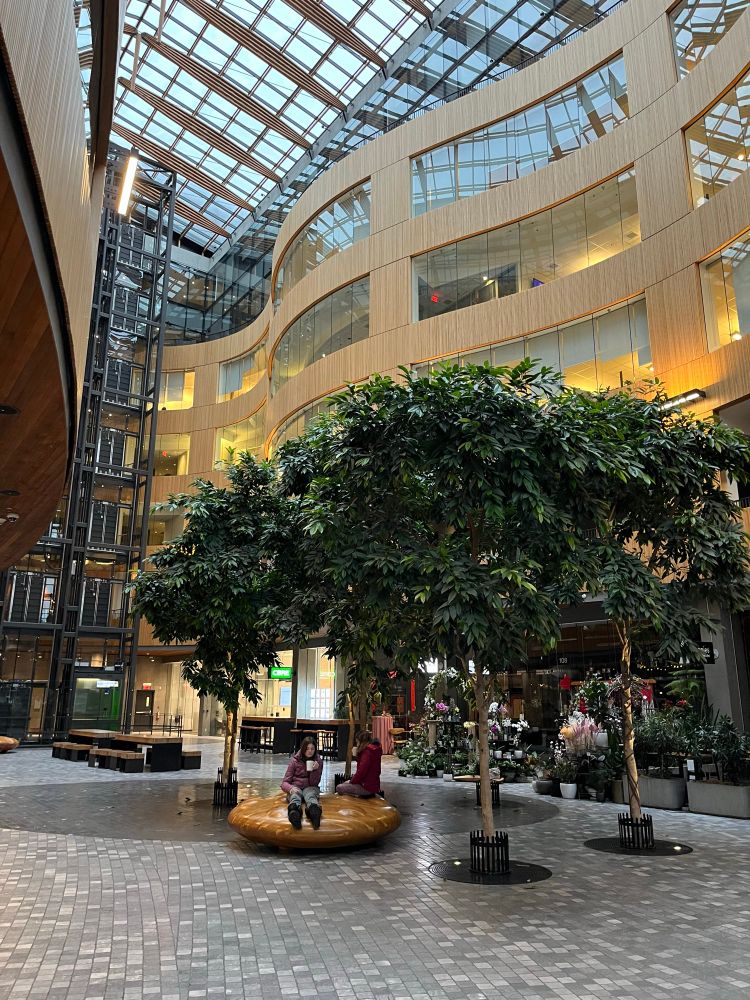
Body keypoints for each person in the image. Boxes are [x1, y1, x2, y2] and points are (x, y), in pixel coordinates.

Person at [281, 736, 323, 829]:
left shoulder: (318, 761)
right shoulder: (294, 761)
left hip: (310, 787)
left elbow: (314, 783)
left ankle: (314, 813)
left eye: (312, 748)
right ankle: (294, 813)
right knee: (295, 795)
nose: (310, 751)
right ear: (303, 748)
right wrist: (291, 788)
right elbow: (284, 783)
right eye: (307, 748)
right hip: (296, 786)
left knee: (310, 796)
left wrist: (314, 770)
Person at [336, 731, 382, 798]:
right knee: (346, 783)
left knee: (339, 788)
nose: (357, 745)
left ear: (361, 742)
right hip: (372, 786)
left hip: (366, 787)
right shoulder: (373, 750)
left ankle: (355, 799)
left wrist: (351, 781)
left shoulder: (367, 753)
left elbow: (361, 772)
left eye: (357, 742)